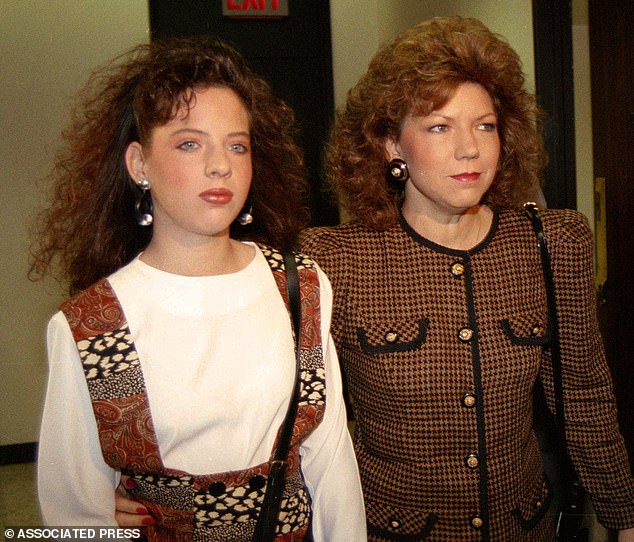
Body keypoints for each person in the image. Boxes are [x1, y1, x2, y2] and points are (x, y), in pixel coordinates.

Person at [114, 17, 634, 541]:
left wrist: (625, 517)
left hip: (528, 529)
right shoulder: (337, 259)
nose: (470, 149)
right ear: (391, 146)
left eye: (485, 125)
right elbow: (270, 404)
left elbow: (585, 399)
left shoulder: (550, 243)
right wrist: (157, 485)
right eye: (438, 127)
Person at [30, 36, 365, 541]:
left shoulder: (300, 287)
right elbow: (76, 517)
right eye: (190, 143)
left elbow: (331, 458)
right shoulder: (92, 326)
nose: (220, 165)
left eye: (237, 145)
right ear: (139, 164)